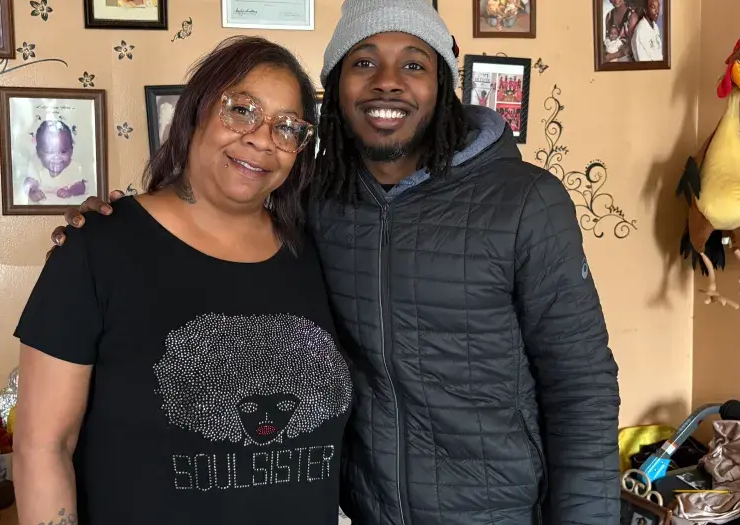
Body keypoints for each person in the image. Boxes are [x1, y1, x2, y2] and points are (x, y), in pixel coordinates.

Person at [48, 0, 622, 523]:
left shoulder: (525, 202)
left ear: (444, 84)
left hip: (498, 512)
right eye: (364, 62)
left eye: (415, 65)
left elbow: (582, 387)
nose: (388, 83)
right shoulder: (314, 203)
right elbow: (220, 204)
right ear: (337, 90)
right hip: (365, 511)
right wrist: (114, 221)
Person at [12, 36, 354, 525]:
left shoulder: (318, 252)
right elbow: (42, 445)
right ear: (194, 111)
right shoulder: (98, 248)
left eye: (287, 128)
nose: (261, 138)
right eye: (241, 110)